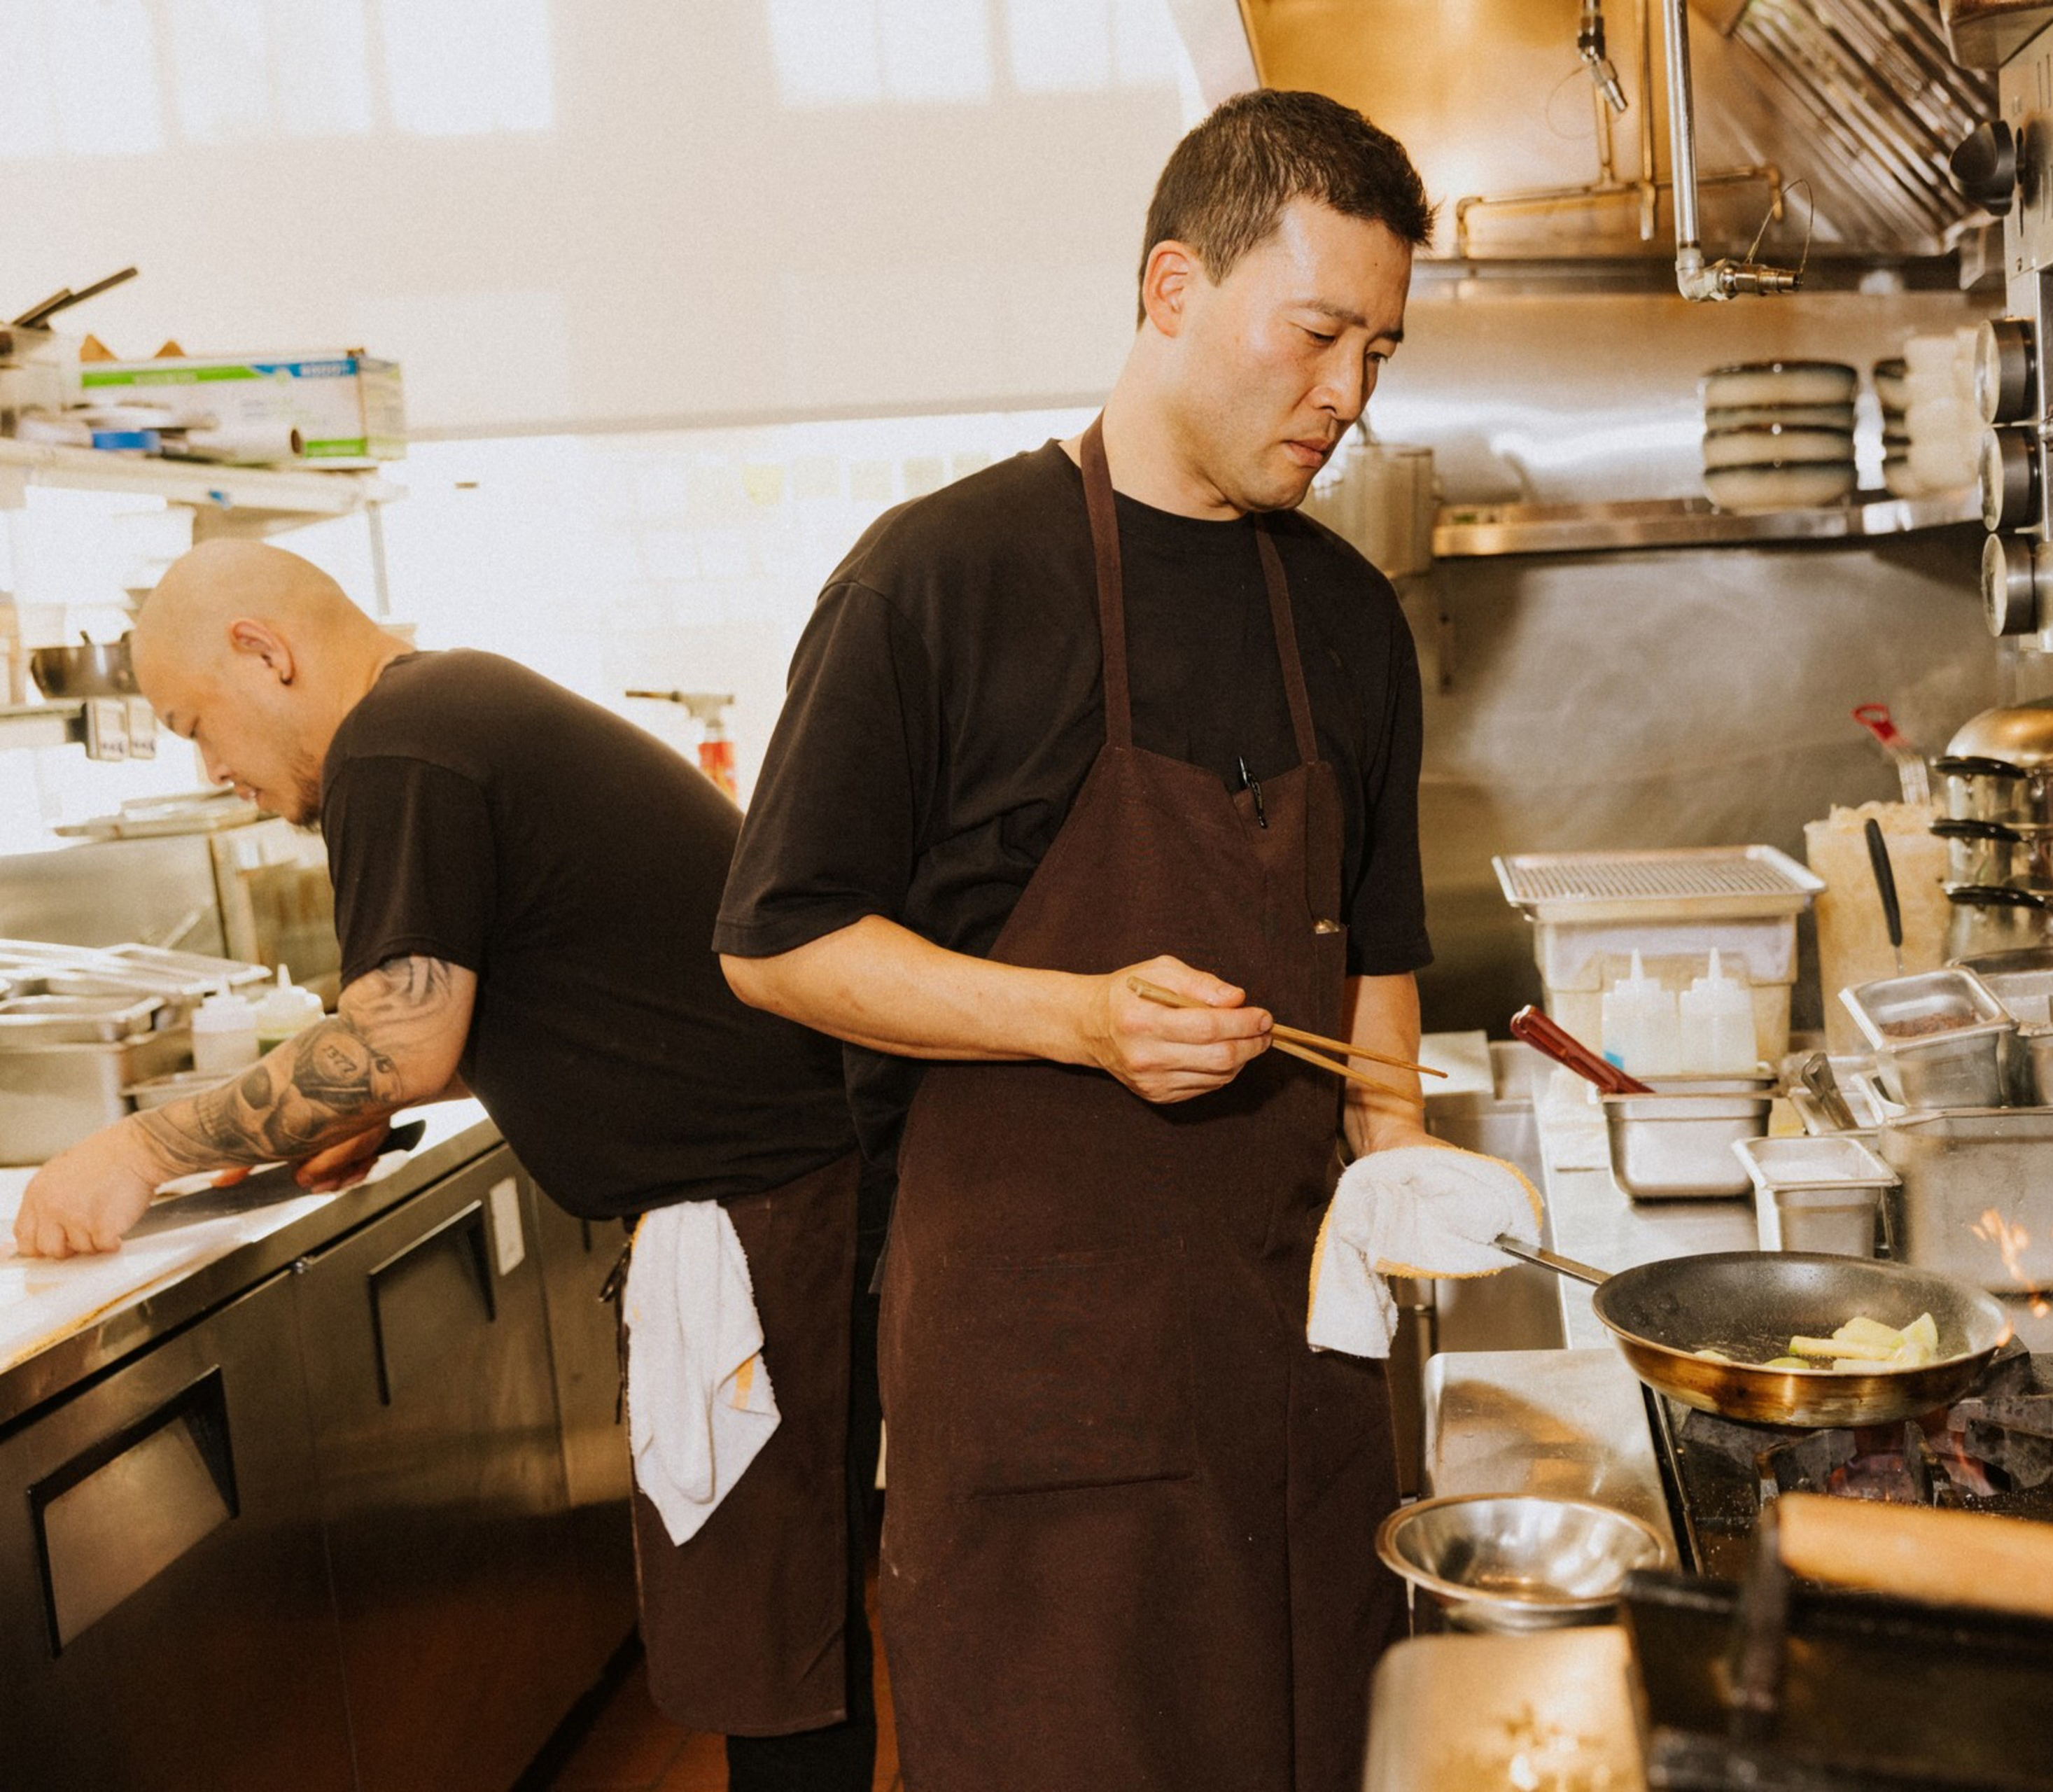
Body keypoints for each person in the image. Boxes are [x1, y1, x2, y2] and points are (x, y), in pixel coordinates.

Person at [715, 89, 1441, 1792]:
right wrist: (1080, 1018)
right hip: (1043, 1407)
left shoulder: (1347, 616)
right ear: (1171, 288)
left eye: (1381, 354)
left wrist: (1402, 1177)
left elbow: (1380, 966)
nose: (1345, 395)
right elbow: (776, 939)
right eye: (1317, 332)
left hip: (1299, 1377)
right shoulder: (940, 580)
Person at [11, 541, 886, 1792]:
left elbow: (397, 1041)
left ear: (266, 652)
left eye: (198, 724)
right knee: (787, 1627)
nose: (214, 768)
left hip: (769, 1218)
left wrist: (139, 1145)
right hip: (795, 1197)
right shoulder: (449, 705)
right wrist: (383, 1089)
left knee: (768, 1641)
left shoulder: (395, 746)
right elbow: (545, 982)